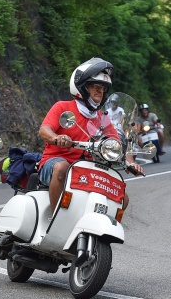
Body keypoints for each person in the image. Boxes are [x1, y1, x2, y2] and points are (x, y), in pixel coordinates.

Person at [38, 57, 143, 211]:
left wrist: (130, 162)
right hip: (54, 163)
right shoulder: (63, 107)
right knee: (62, 168)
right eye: (96, 86)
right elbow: (44, 130)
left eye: (103, 88)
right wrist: (56, 138)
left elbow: (116, 144)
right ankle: (56, 217)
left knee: (122, 198)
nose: (100, 91)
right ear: (83, 87)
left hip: (86, 168)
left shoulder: (102, 118)